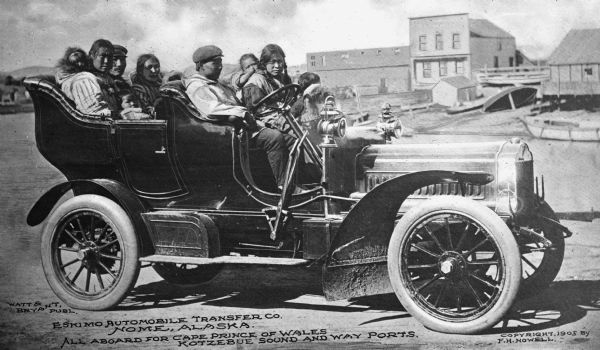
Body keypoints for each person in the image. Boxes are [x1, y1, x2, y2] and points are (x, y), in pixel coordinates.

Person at [183, 45, 298, 189]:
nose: (219, 67)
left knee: (293, 140)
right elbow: (212, 109)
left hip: (243, 127)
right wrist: (243, 114)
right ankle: (285, 187)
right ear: (200, 66)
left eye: (220, 62)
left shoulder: (217, 84)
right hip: (228, 132)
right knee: (274, 138)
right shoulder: (198, 86)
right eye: (215, 63)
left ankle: (294, 183)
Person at [57, 39, 120, 118]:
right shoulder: (83, 79)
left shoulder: (105, 77)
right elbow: (94, 113)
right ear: (92, 55)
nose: (106, 61)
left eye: (110, 57)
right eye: (102, 56)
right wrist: (120, 115)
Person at [242, 44, 291, 132]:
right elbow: (259, 113)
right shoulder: (256, 81)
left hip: (287, 118)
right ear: (264, 63)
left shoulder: (284, 79)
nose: (277, 66)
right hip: (267, 125)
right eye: (272, 62)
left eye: (280, 61)